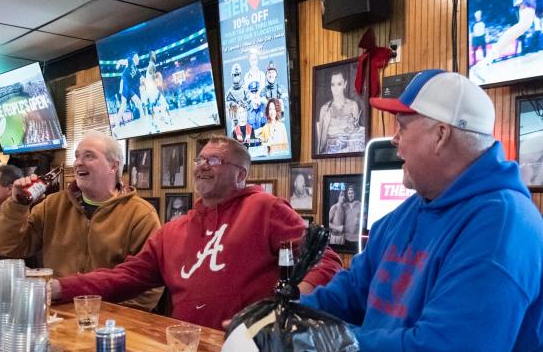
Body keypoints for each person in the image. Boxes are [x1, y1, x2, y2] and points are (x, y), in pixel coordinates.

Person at [301, 70, 543, 352]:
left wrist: (318, 342)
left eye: (403, 126)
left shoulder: (502, 223)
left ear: (441, 135)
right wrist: (285, 315)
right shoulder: (408, 213)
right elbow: (352, 293)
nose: (394, 139)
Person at [51, 136, 342, 330]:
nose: (203, 165)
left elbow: (325, 260)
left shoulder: (266, 209)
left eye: (215, 161)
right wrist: (61, 288)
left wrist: (285, 306)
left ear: (241, 175)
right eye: (200, 160)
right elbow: (124, 277)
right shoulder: (173, 231)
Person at [0, 131, 162, 310]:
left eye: (89, 156)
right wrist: (17, 205)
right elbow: (8, 247)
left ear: (113, 166)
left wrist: (107, 318)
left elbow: (149, 287)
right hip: (57, 317)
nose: (79, 162)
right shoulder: (53, 205)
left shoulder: (140, 214)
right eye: (77, 156)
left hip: (110, 324)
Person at [316, 69, 363, 154]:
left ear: (345, 84)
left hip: (350, 154)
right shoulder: (324, 109)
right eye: (333, 85)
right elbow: (320, 148)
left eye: (339, 84)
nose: (335, 89)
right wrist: (325, 126)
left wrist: (352, 129)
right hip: (329, 156)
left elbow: (357, 138)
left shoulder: (353, 105)